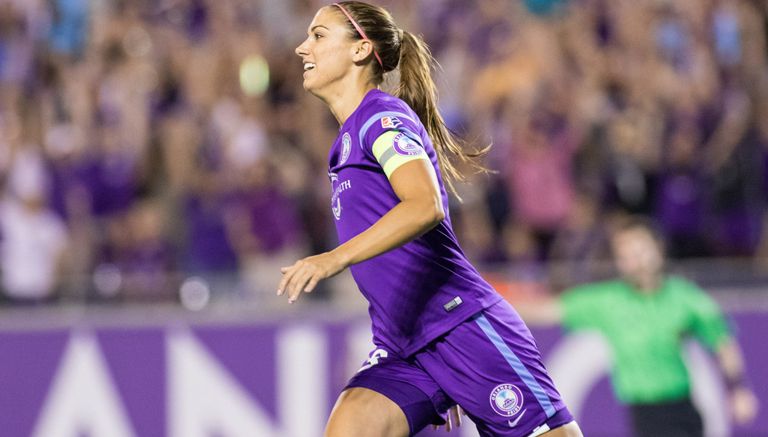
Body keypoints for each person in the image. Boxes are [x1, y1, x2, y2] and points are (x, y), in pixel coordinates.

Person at [279, 2, 582, 436]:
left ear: (360, 50)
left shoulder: (381, 120)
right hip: (403, 344)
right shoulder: (345, 142)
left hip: (459, 325)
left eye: (319, 35)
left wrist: (333, 258)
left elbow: (424, 205)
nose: (301, 47)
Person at [520, 217, 759, 437]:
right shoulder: (608, 301)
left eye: (640, 250)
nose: (635, 259)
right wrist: (495, 308)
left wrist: (737, 388)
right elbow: (549, 310)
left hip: (682, 408)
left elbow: (721, 339)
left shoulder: (682, 296)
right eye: (626, 254)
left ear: (658, 249)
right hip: (644, 414)